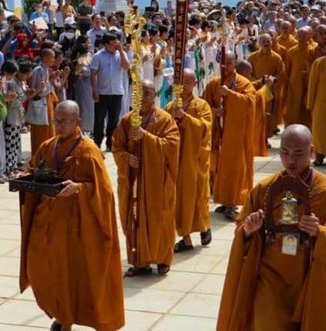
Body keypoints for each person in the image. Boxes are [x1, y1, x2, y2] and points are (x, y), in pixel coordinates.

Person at [216, 125, 326, 331]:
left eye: (298, 153)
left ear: (311, 152)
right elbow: (242, 229)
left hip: (309, 275)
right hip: (271, 275)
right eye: (284, 153)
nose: (291, 160)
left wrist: (320, 232)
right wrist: (248, 229)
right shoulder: (265, 188)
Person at [18, 100, 125, 331]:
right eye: (56, 120)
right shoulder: (48, 145)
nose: (58, 125)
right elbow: (34, 169)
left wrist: (79, 188)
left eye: (64, 121)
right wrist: (24, 175)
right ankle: (60, 314)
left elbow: (104, 193)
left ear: (77, 121)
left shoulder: (88, 151)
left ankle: (67, 320)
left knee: (77, 275)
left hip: (79, 227)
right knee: (44, 270)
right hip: (49, 224)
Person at [112, 80, 180, 277]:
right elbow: (117, 147)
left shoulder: (165, 119)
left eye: (147, 94)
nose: (142, 98)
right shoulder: (127, 120)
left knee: (161, 217)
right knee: (134, 219)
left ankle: (162, 260)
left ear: (155, 96)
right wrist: (127, 159)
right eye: (138, 94)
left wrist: (146, 138)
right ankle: (139, 261)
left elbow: (172, 146)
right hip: (134, 181)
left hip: (157, 182)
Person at [202, 50, 255, 220]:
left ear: (236, 62)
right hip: (219, 133)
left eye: (229, 63)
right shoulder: (213, 83)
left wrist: (230, 95)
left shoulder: (243, 83)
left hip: (236, 134)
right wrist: (215, 111)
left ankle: (233, 203)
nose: (225, 67)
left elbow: (250, 103)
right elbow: (203, 105)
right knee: (220, 169)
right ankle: (224, 200)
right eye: (222, 64)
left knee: (235, 168)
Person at [168, 70, 213, 252]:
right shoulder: (171, 106)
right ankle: (186, 238)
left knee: (199, 195)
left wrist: (185, 118)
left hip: (195, 159)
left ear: (195, 84)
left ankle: (203, 226)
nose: (184, 85)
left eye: (188, 81)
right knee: (180, 198)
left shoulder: (202, 106)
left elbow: (204, 129)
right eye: (181, 81)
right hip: (178, 159)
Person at [90, 34, 130, 151]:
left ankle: (110, 143)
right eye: (113, 44)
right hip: (102, 92)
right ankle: (97, 143)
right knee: (99, 119)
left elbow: (127, 66)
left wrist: (121, 51)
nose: (115, 46)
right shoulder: (98, 56)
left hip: (117, 92)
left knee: (114, 120)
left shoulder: (120, 54)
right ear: (106, 45)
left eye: (116, 43)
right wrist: (94, 90)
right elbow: (93, 74)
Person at [282, 27, 316, 128]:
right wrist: (286, 85)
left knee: (307, 109)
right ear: (296, 36)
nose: (301, 38)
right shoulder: (291, 51)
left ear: (309, 36)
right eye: (300, 36)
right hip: (295, 84)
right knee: (294, 108)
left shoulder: (313, 51)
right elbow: (287, 69)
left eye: (304, 36)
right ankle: (291, 131)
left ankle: (307, 133)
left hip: (309, 83)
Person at [27, 48, 57, 151]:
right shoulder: (38, 70)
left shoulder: (47, 69)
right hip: (40, 105)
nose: (54, 59)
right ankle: (38, 157)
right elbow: (36, 90)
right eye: (52, 57)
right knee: (40, 133)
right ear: (45, 58)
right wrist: (46, 84)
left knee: (48, 131)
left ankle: (46, 156)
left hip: (47, 103)